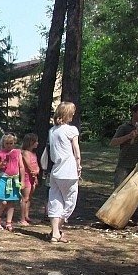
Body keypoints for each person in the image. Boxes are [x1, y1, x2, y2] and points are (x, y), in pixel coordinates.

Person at [47, 101, 82, 243]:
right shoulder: (71, 130)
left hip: (56, 170)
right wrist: (78, 165)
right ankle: (56, 231)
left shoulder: (52, 130)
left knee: (55, 200)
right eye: (72, 112)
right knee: (70, 201)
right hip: (69, 170)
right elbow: (76, 151)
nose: (73, 114)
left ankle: (55, 233)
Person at [0, 133, 24, 232]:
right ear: (3, 143)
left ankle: (9, 222)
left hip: (14, 179)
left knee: (11, 202)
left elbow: (21, 167)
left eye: (11, 143)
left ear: (14, 143)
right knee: (3, 201)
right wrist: (2, 163)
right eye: (7, 143)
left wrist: (22, 181)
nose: (9, 145)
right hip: (4, 179)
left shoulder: (17, 153)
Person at [19, 133, 40, 225]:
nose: (37, 143)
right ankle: (22, 218)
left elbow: (36, 165)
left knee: (29, 198)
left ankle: (27, 216)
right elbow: (28, 165)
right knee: (25, 198)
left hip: (33, 177)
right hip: (27, 177)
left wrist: (37, 172)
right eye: (36, 142)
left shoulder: (33, 153)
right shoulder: (25, 153)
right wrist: (33, 172)